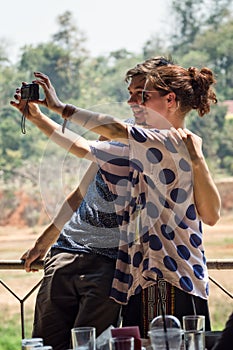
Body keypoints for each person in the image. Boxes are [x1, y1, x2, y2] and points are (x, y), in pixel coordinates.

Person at [11, 62, 221, 338]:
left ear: (170, 100)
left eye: (144, 95)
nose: (134, 102)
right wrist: (40, 118)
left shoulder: (165, 139)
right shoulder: (159, 143)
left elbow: (114, 129)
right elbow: (85, 148)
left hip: (169, 275)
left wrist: (60, 108)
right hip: (144, 275)